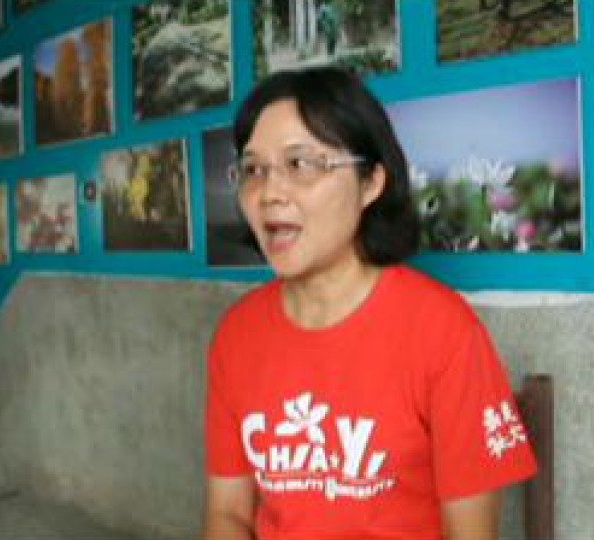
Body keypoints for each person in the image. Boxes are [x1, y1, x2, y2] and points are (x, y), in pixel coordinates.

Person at [204, 67, 536, 540]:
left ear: (370, 183)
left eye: (300, 164)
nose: (270, 193)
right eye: (254, 170)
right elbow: (228, 514)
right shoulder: (237, 335)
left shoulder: (444, 332)